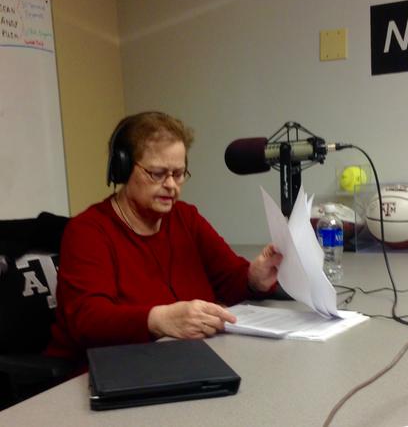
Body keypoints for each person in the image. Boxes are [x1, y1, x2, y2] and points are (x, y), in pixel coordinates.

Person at [46, 111, 282, 363]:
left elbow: (228, 278)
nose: (172, 185)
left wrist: (253, 279)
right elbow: (87, 321)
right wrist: (159, 320)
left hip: (182, 360)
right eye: (158, 173)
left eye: (179, 173)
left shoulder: (185, 218)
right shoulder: (88, 231)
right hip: (109, 370)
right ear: (123, 168)